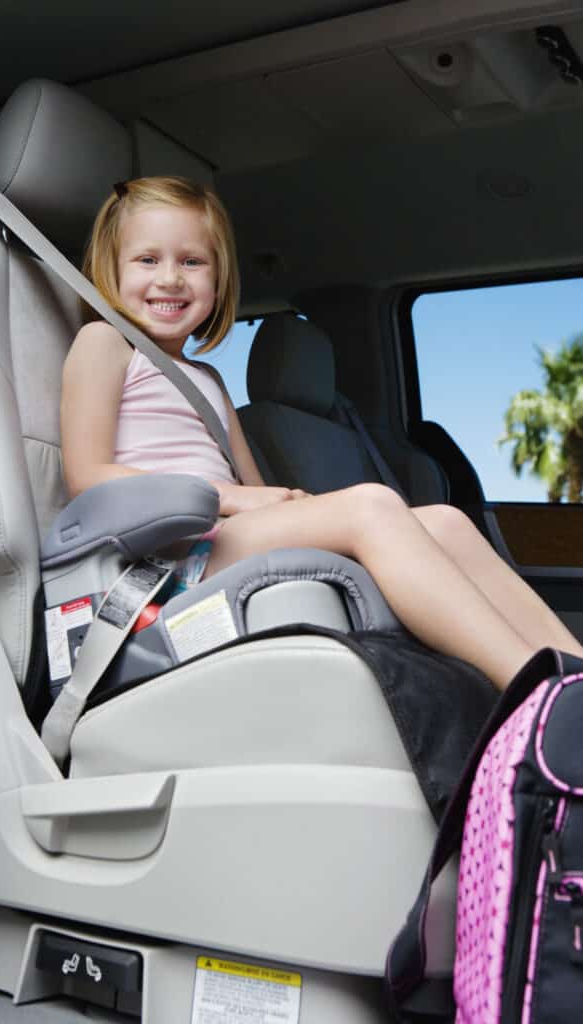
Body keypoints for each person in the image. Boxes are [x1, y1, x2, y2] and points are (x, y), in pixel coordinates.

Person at [61, 176, 583, 690]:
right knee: (371, 506)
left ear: (218, 280)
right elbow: (87, 478)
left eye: (192, 261)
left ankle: (574, 673)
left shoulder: (208, 380)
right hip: (162, 552)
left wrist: (277, 502)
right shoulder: (103, 343)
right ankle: (530, 688)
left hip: (220, 539)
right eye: (148, 260)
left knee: (445, 521)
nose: (171, 279)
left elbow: (255, 485)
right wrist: (237, 498)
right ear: (111, 270)